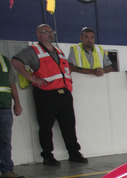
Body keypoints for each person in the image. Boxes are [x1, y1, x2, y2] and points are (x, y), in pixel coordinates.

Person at [11, 24, 88, 166]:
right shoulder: (33, 51)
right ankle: (47, 156)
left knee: (69, 124)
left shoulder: (58, 51)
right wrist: (33, 79)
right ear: (39, 34)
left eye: (51, 32)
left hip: (64, 93)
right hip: (46, 94)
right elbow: (16, 61)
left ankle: (74, 153)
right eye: (47, 32)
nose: (51, 35)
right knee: (46, 126)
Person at [0, 54, 24, 178]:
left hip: (4, 107)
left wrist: (17, 104)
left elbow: (12, 83)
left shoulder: (4, 60)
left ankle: (6, 170)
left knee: (5, 141)